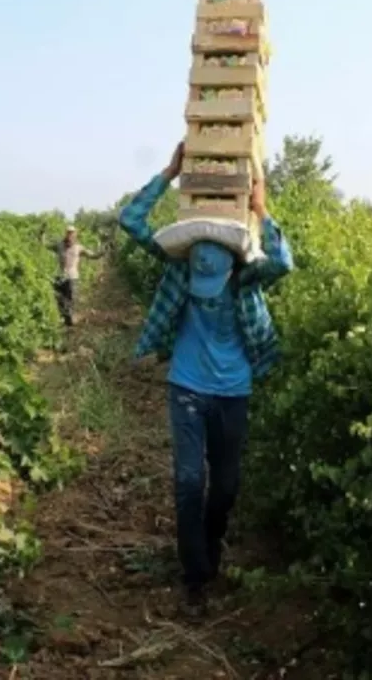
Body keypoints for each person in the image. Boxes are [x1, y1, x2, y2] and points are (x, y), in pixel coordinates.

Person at [118, 141, 294, 618]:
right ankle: (195, 577)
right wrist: (169, 173)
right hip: (187, 385)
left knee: (226, 486)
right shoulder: (179, 270)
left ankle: (210, 550)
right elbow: (130, 222)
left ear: (230, 268)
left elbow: (284, 261)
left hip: (234, 389)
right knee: (189, 479)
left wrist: (261, 208)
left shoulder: (246, 278)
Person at [46, 224, 103, 327]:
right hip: (60, 275)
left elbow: (93, 255)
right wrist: (41, 234)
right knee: (59, 298)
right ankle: (65, 319)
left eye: (72, 233)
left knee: (70, 299)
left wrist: (102, 252)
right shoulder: (59, 245)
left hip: (72, 277)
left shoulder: (79, 248)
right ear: (66, 234)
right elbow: (45, 245)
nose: (70, 235)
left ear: (75, 235)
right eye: (68, 233)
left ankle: (69, 321)